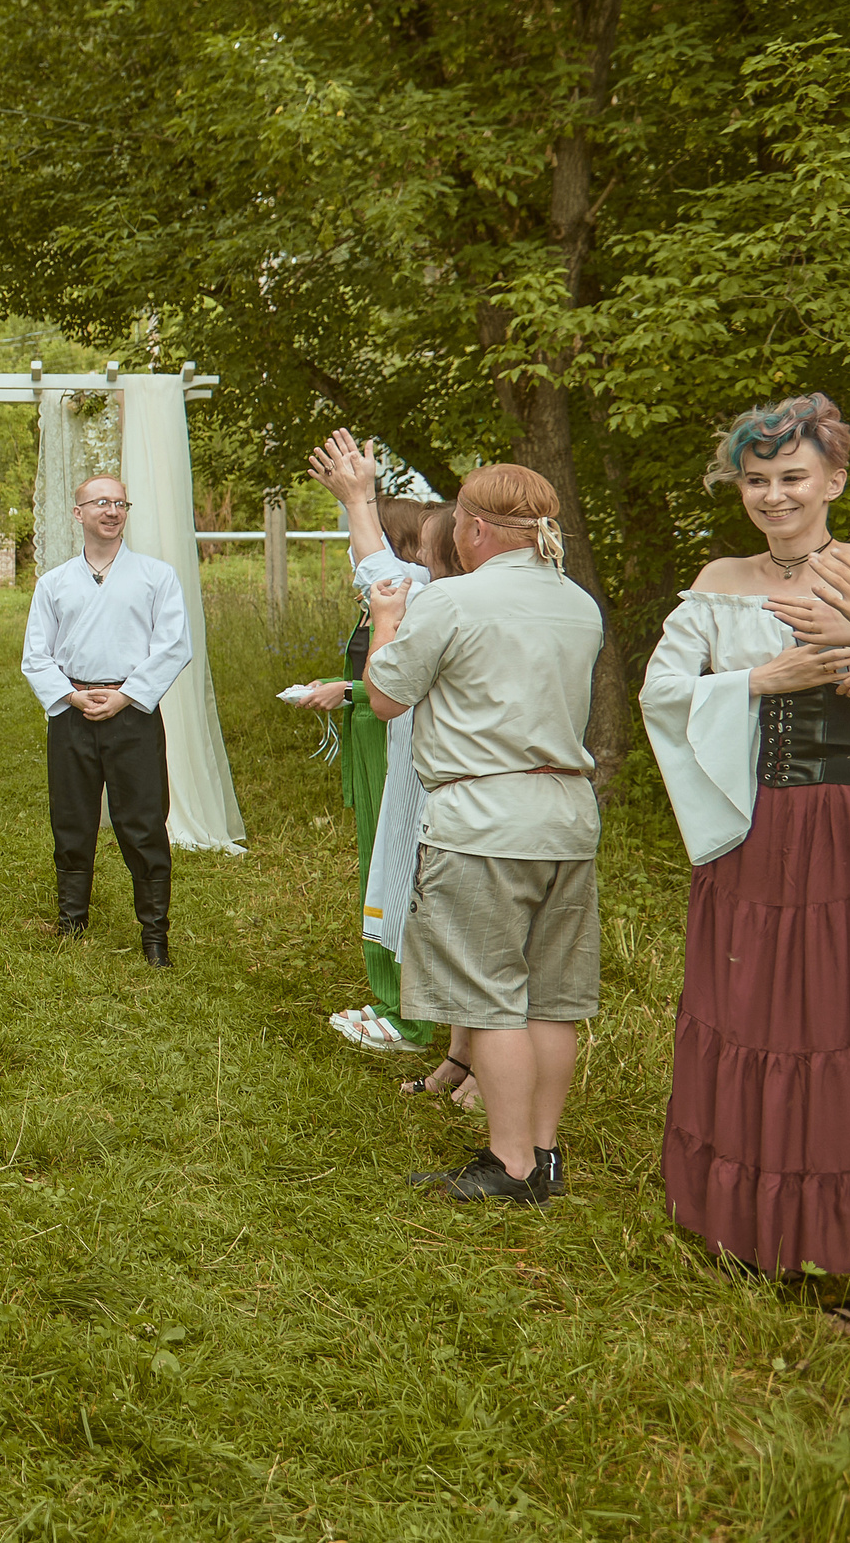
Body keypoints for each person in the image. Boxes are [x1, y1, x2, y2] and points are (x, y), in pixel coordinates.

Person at [638, 394, 850, 1327]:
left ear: (834, 478)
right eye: (757, 480)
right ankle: (768, 1227)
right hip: (750, 833)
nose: (774, 494)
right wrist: (759, 678)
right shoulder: (720, 579)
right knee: (757, 1019)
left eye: (793, 476)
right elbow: (661, 692)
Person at [364, 463, 603, 1204]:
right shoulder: (579, 604)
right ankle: (546, 1151)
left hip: (482, 821)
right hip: (566, 818)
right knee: (553, 998)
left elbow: (384, 697)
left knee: (494, 997)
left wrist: (385, 619)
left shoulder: (456, 600)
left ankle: (510, 1164)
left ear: (472, 528)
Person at [301, 431, 475, 1084]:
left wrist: (358, 499)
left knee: (426, 895)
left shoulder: (443, 607)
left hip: (441, 780)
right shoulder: (532, 603)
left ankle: (418, 1019)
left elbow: (381, 576)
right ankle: (460, 1055)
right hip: (457, 775)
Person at [18, 473, 192, 964]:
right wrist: (71, 698)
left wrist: (126, 695)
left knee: (142, 823)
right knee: (72, 818)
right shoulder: (53, 584)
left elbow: (174, 645)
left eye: (119, 502)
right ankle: (72, 922)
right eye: (100, 503)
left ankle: (154, 936)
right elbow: (36, 655)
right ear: (79, 514)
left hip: (133, 713)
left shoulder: (157, 577)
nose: (112, 511)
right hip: (71, 712)